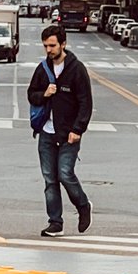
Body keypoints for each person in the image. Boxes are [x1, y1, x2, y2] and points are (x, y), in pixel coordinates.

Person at [27, 25, 93, 238]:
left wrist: (77, 129)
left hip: (68, 134)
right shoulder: (42, 69)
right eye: (46, 46)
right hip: (46, 132)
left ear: (63, 44)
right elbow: (31, 94)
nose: (49, 50)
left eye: (52, 45)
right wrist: (44, 94)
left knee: (65, 174)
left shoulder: (76, 69)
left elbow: (85, 102)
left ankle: (83, 205)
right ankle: (55, 222)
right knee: (50, 180)